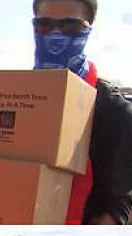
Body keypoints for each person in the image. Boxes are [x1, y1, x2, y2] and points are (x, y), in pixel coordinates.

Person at [31, 0, 132, 224]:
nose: (56, 34)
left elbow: (117, 203)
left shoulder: (115, 112)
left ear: (88, 29)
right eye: (44, 24)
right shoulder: (4, 98)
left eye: (70, 26)